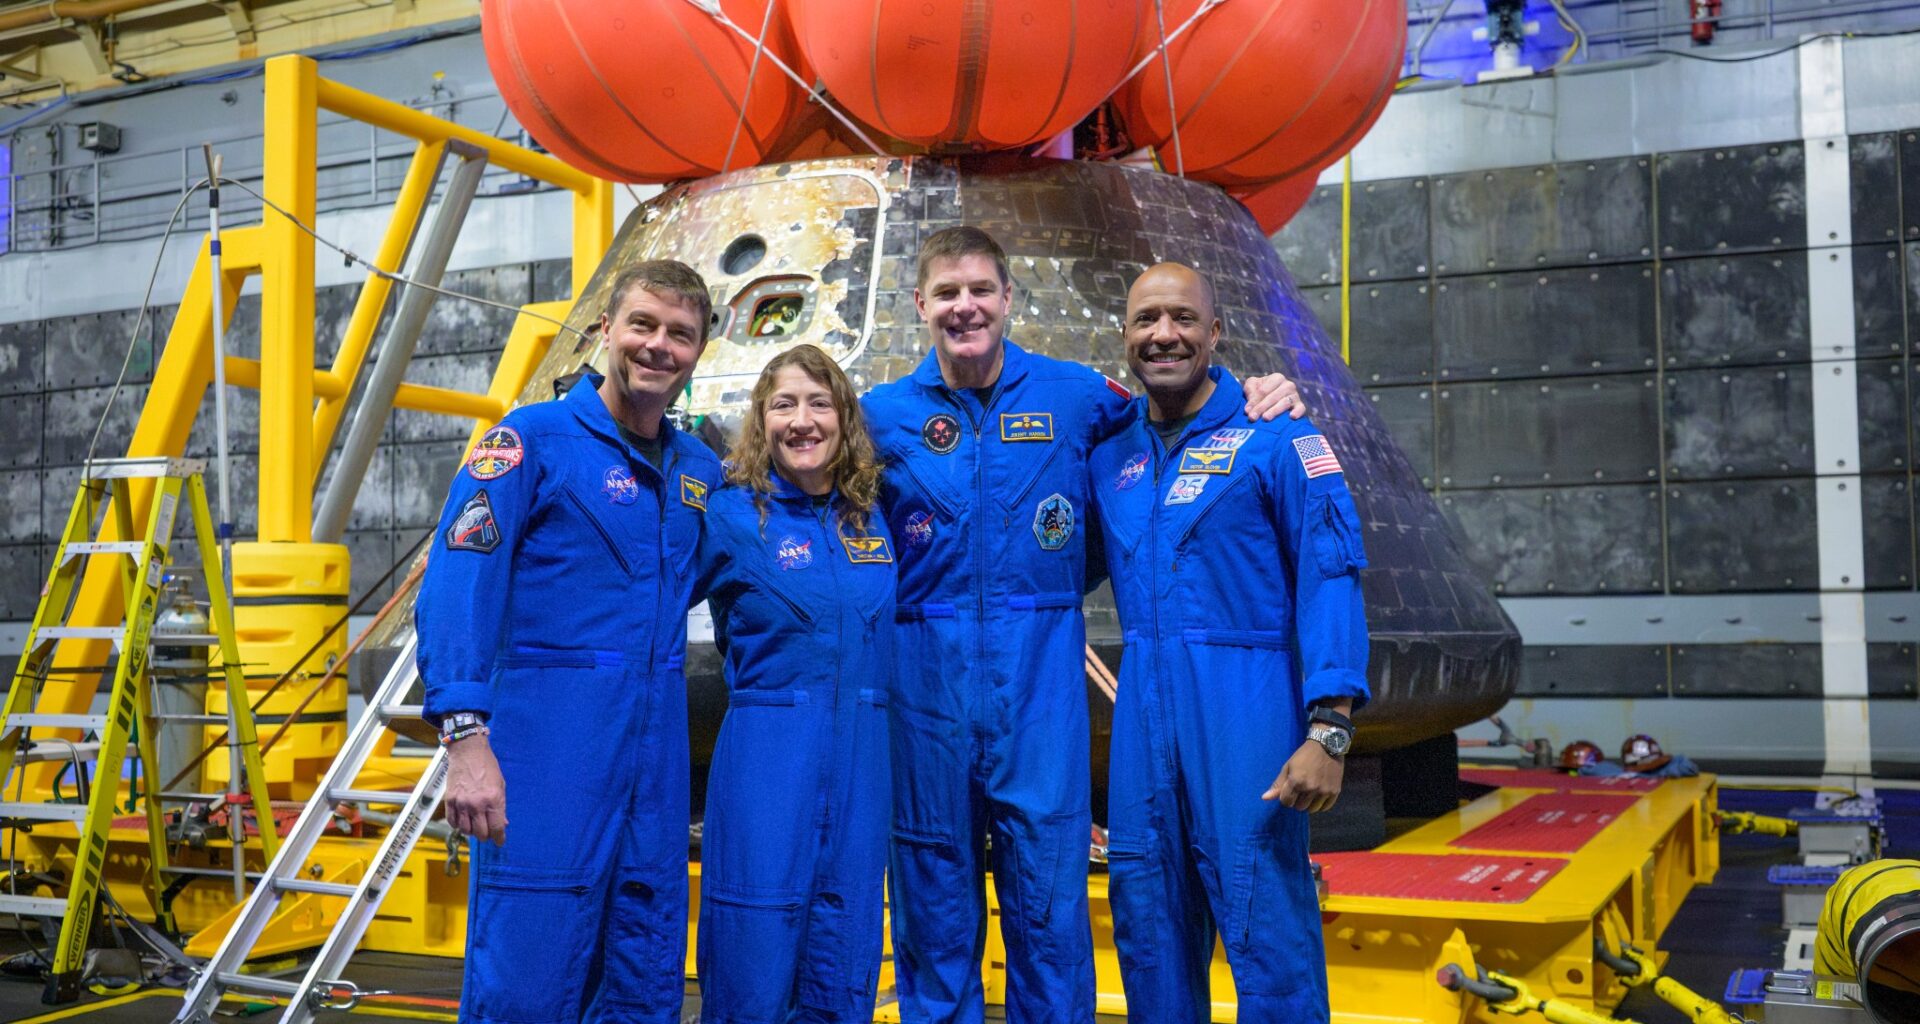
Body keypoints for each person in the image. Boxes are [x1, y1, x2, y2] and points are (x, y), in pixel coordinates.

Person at [861, 227, 1306, 1024]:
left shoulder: (1079, 398)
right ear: (921, 305)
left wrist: (1265, 392)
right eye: (949, 293)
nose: (967, 307)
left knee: (1049, 906)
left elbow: (1178, 409)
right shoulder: (879, 418)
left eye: (982, 291)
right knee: (932, 902)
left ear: (1008, 300)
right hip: (924, 683)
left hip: (1041, 687)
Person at [416, 260, 723, 1024]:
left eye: (680, 334)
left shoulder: (700, 473)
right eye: (643, 325)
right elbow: (458, 584)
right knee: (527, 976)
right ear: (604, 331)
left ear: (699, 350)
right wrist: (465, 739)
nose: (658, 347)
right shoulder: (530, 442)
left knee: (641, 974)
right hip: (547, 752)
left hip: (654, 769)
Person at [1086, 262, 1370, 1024]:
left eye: (1182, 318)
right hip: (1144, 722)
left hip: (1246, 715)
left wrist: (1330, 729)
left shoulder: (1277, 436)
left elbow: (1332, 576)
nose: (1164, 335)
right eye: (1146, 320)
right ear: (1125, 337)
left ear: (1215, 333)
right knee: (1147, 928)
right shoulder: (1110, 456)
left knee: (1267, 929)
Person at [691, 344, 896, 1023]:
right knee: (753, 951)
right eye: (784, 404)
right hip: (766, 760)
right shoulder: (727, 516)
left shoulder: (871, 517)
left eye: (819, 403)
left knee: (845, 953)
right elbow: (641, 603)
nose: (802, 421)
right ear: (761, 418)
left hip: (863, 765)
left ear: (844, 417)